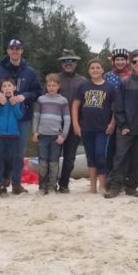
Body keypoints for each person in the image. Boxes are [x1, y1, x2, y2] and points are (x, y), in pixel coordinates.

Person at [0, 39, 41, 190]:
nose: (15, 51)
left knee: (18, 153)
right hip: (2, 117)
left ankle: (16, 184)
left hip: (22, 118)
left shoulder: (30, 72)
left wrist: (25, 96)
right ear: (8, 50)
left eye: (18, 48)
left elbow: (37, 91)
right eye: (12, 48)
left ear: (22, 51)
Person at [106, 50, 138, 199]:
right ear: (130, 64)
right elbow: (118, 107)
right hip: (125, 127)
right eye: (134, 61)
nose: (137, 64)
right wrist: (123, 125)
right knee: (120, 157)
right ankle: (115, 186)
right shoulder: (125, 82)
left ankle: (131, 186)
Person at [72, 59, 117, 194]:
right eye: (92, 68)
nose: (95, 70)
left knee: (100, 155)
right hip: (86, 127)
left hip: (103, 128)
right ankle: (92, 187)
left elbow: (115, 108)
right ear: (88, 71)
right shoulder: (83, 86)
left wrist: (113, 123)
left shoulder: (109, 87)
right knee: (90, 156)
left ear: (103, 70)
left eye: (98, 67)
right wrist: (75, 124)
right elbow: (75, 105)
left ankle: (102, 186)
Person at [32, 73, 71, 195]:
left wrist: (63, 136)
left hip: (56, 137)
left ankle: (52, 187)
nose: (51, 87)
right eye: (49, 85)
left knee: (54, 163)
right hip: (42, 136)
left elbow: (67, 119)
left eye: (54, 85)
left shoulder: (63, 101)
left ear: (58, 86)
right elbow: (36, 117)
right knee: (43, 163)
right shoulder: (41, 99)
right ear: (46, 86)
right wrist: (34, 132)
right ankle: (42, 187)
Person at [55, 49, 88, 193]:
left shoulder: (83, 81)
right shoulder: (54, 79)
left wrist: (82, 123)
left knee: (70, 158)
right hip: (56, 124)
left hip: (75, 124)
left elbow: (87, 104)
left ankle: (64, 184)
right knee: (53, 157)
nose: (68, 63)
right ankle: (50, 183)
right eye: (65, 61)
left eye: (72, 61)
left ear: (76, 63)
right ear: (62, 63)